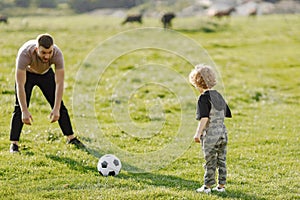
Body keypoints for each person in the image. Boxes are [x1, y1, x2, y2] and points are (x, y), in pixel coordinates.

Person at [9, 33, 84, 153]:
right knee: (19, 108)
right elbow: (20, 85)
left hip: (45, 74)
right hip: (28, 74)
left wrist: (56, 108)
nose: (47, 56)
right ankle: (14, 144)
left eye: (50, 52)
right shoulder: (25, 54)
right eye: (43, 53)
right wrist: (24, 111)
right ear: (36, 49)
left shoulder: (57, 54)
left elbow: (59, 83)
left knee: (60, 107)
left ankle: (71, 138)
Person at [189, 64, 232, 194]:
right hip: (223, 133)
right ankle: (221, 186)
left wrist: (198, 133)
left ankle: (207, 187)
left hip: (211, 135)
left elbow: (204, 118)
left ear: (196, 83)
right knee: (222, 160)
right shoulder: (218, 95)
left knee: (210, 161)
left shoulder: (203, 98)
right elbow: (227, 113)